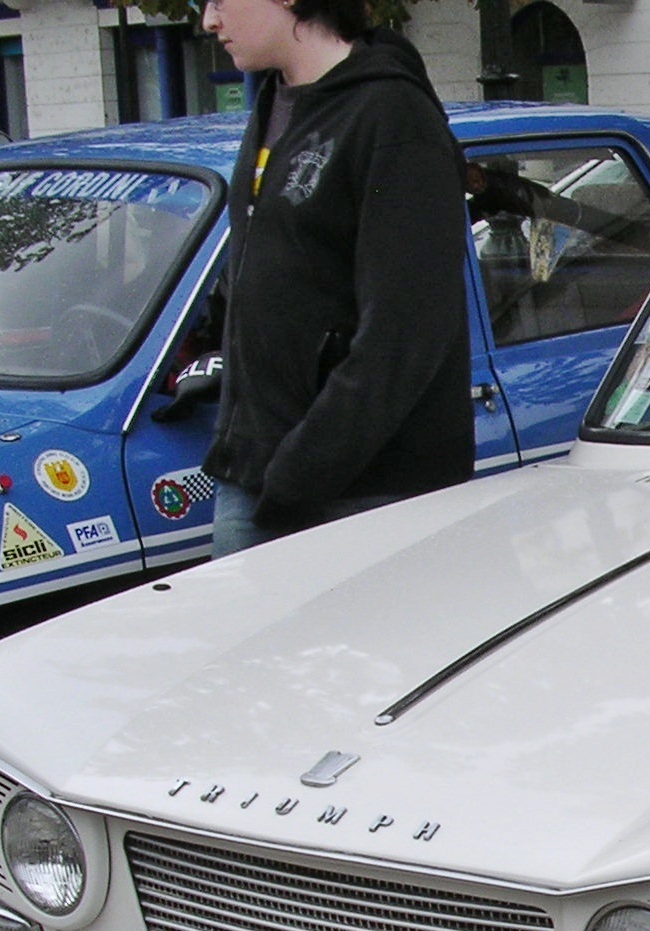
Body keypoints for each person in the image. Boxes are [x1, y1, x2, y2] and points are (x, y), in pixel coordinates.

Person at [199, 0, 472, 556]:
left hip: (363, 492)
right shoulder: (276, 101)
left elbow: (406, 331)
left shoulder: (392, 114)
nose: (208, 20)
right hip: (255, 466)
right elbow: (273, 266)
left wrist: (299, 474)